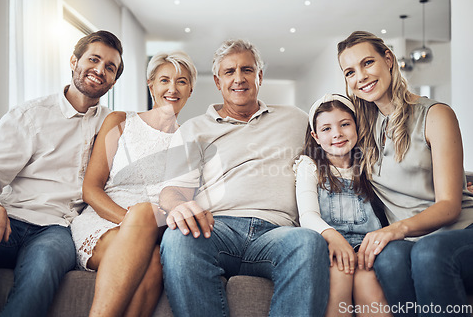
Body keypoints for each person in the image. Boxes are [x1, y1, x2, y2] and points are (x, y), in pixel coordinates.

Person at [158, 39, 330, 317]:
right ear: (217, 80)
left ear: (259, 76)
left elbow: (335, 146)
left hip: (278, 231)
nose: (239, 78)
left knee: (309, 244)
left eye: (247, 70)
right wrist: (179, 206)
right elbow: (171, 190)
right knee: (177, 239)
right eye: (229, 72)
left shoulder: (296, 119)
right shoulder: (194, 129)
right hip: (216, 228)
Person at [0, 30, 123, 317]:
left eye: (110, 67)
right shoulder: (30, 115)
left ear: (113, 80)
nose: (99, 70)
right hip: (12, 216)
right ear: (74, 61)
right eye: (94, 59)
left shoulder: (112, 124)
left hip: (58, 228)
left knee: (44, 268)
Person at [337, 30, 473, 317]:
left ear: (388, 60)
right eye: (350, 72)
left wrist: (394, 229)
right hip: (407, 241)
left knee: (428, 253)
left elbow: (449, 207)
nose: (360, 76)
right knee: (388, 259)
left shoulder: (436, 115)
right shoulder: (361, 130)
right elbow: (323, 141)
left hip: (460, 231)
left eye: (367, 63)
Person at [71, 51, 197, 317]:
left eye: (182, 81)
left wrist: (145, 225)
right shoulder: (120, 121)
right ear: (151, 85)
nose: (172, 88)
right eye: (164, 80)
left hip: (153, 230)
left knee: (154, 261)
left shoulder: (190, 142)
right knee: (143, 213)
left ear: (191, 90)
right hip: (105, 219)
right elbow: (91, 189)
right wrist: (134, 222)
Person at [294, 93, 391, 317]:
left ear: (357, 126)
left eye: (345, 124)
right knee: (339, 280)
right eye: (326, 129)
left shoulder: (369, 163)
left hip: (368, 249)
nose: (337, 134)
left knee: (370, 288)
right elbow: (307, 216)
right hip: (330, 246)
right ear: (315, 136)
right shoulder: (309, 166)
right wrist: (334, 237)